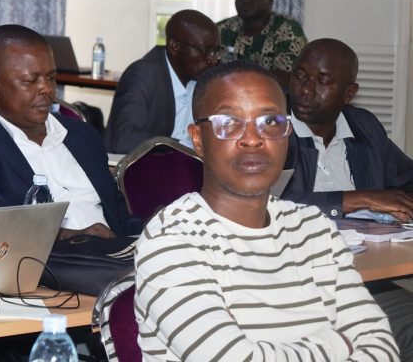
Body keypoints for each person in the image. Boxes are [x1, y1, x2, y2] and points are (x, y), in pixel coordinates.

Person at [135, 61, 398, 360]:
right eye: (229, 122)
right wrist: (338, 343)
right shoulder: (171, 242)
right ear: (198, 139)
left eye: (270, 121)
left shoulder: (314, 228)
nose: (253, 138)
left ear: (287, 134)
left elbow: (381, 347)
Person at [0, 25, 140, 238]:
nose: (47, 89)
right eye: (30, 80)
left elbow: (120, 218)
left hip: (116, 253)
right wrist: (72, 237)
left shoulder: (83, 135)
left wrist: (154, 228)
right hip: (43, 258)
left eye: (51, 78)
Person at [283, 39, 413, 220]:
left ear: (349, 93)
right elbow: (261, 203)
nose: (306, 89)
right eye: (300, 76)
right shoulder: (270, 129)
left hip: (369, 238)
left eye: (323, 81)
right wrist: (360, 199)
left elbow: (407, 179)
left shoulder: (364, 128)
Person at [104, 10, 220, 154]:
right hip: (140, 166)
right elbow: (124, 141)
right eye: (206, 51)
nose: (212, 60)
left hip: (184, 165)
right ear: (174, 47)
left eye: (216, 51)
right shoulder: (142, 76)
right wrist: (184, 147)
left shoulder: (207, 78)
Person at [217, 0, 307, 87]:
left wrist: (242, 80)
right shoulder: (224, 28)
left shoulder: (287, 29)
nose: (246, 0)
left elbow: (288, 77)